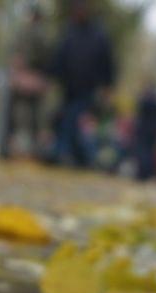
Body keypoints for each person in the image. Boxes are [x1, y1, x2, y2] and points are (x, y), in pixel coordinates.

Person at [50, 0, 115, 168]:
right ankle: (81, 156)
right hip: (68, 89)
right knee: (70, 121)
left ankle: (65, 152)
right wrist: (55, 78)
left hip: (88, 89)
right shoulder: (69, 33)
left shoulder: (98, 35)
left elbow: (107, 63)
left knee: (75, 121)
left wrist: (107, 87)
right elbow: (59, 58)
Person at [0, 5, 53, 158]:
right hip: (24, 80)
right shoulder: (25, 34)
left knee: (32, 119)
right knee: (20, 117)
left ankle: (31, 149)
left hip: (33, 80)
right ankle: (18, 147)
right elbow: (14, 57)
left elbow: (45, 60)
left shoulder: (37, 35)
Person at [132, 80, 156, 181]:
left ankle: (142, 175)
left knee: (143, 154)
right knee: (149, 155)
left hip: (144, 131)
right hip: (153, 132)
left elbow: (140, 108)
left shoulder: (146, 101)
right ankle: (146, 175)